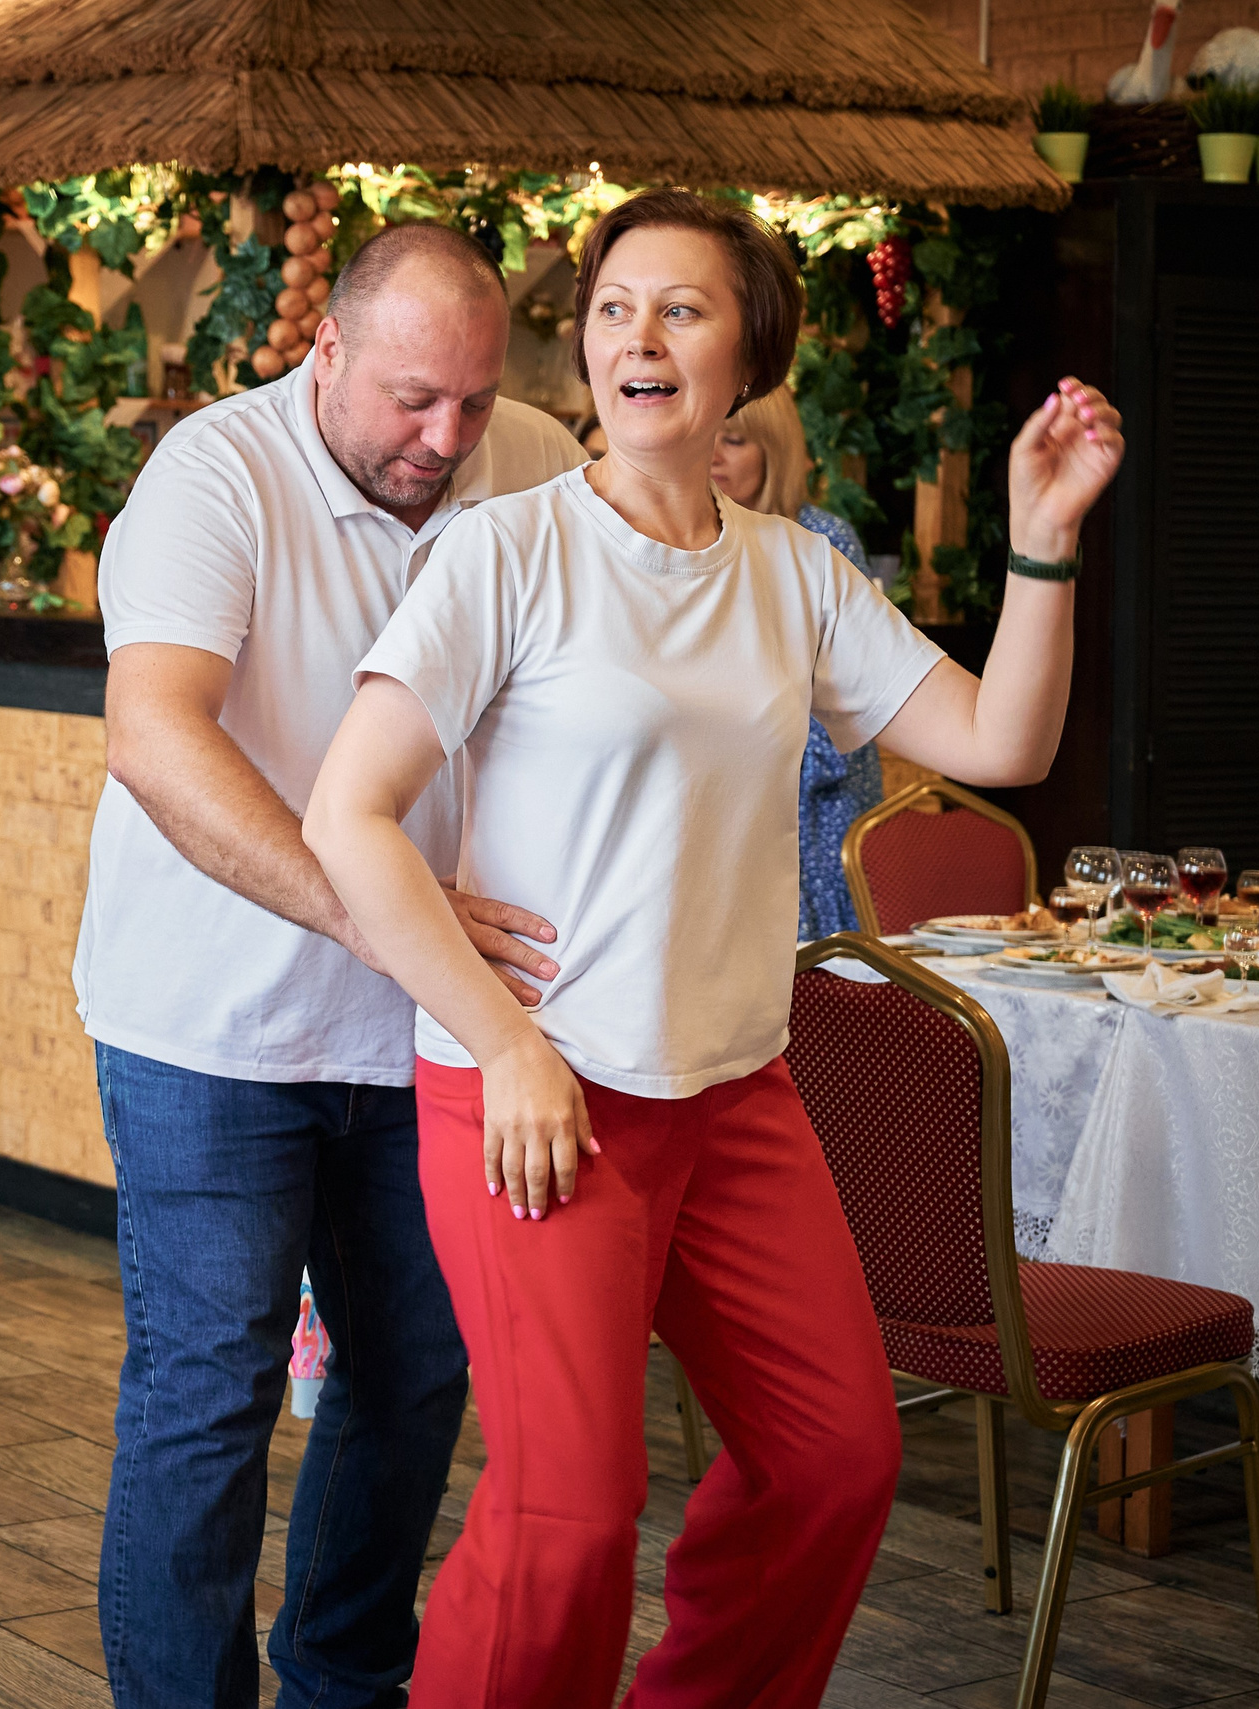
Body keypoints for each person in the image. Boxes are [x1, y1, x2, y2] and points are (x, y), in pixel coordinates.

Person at [302, 188, 1122, 1709]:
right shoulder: (506, 553)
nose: (639, 335)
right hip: (535, 1105)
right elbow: (349, 816)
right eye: (615, 306)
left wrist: (1040, 547)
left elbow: (1003, 739)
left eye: (682, 308)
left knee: (834, 1462)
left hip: (735, 1095)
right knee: (566, 1526)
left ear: (750, 353)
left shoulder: (794, 572)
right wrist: (507, 1043)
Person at [75, 222, 590, 1708]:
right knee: (209, 1397)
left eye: (476, 402)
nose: (446, 440)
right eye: (412, 400)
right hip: (210, 1028)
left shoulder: (535, 457)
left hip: (421, 1037)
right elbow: (157, 738)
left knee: (412, 1385)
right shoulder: (210, 477)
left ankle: (343, 1687)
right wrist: (389, 919)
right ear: (327, 354)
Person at [709, 386, 887, 938]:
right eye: (706, 433)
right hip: (728, 802)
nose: (712, 452)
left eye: (734, 441)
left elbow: (846, 698)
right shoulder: (695, 540)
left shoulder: (821, 539)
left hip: (816, 806)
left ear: (774, 449)